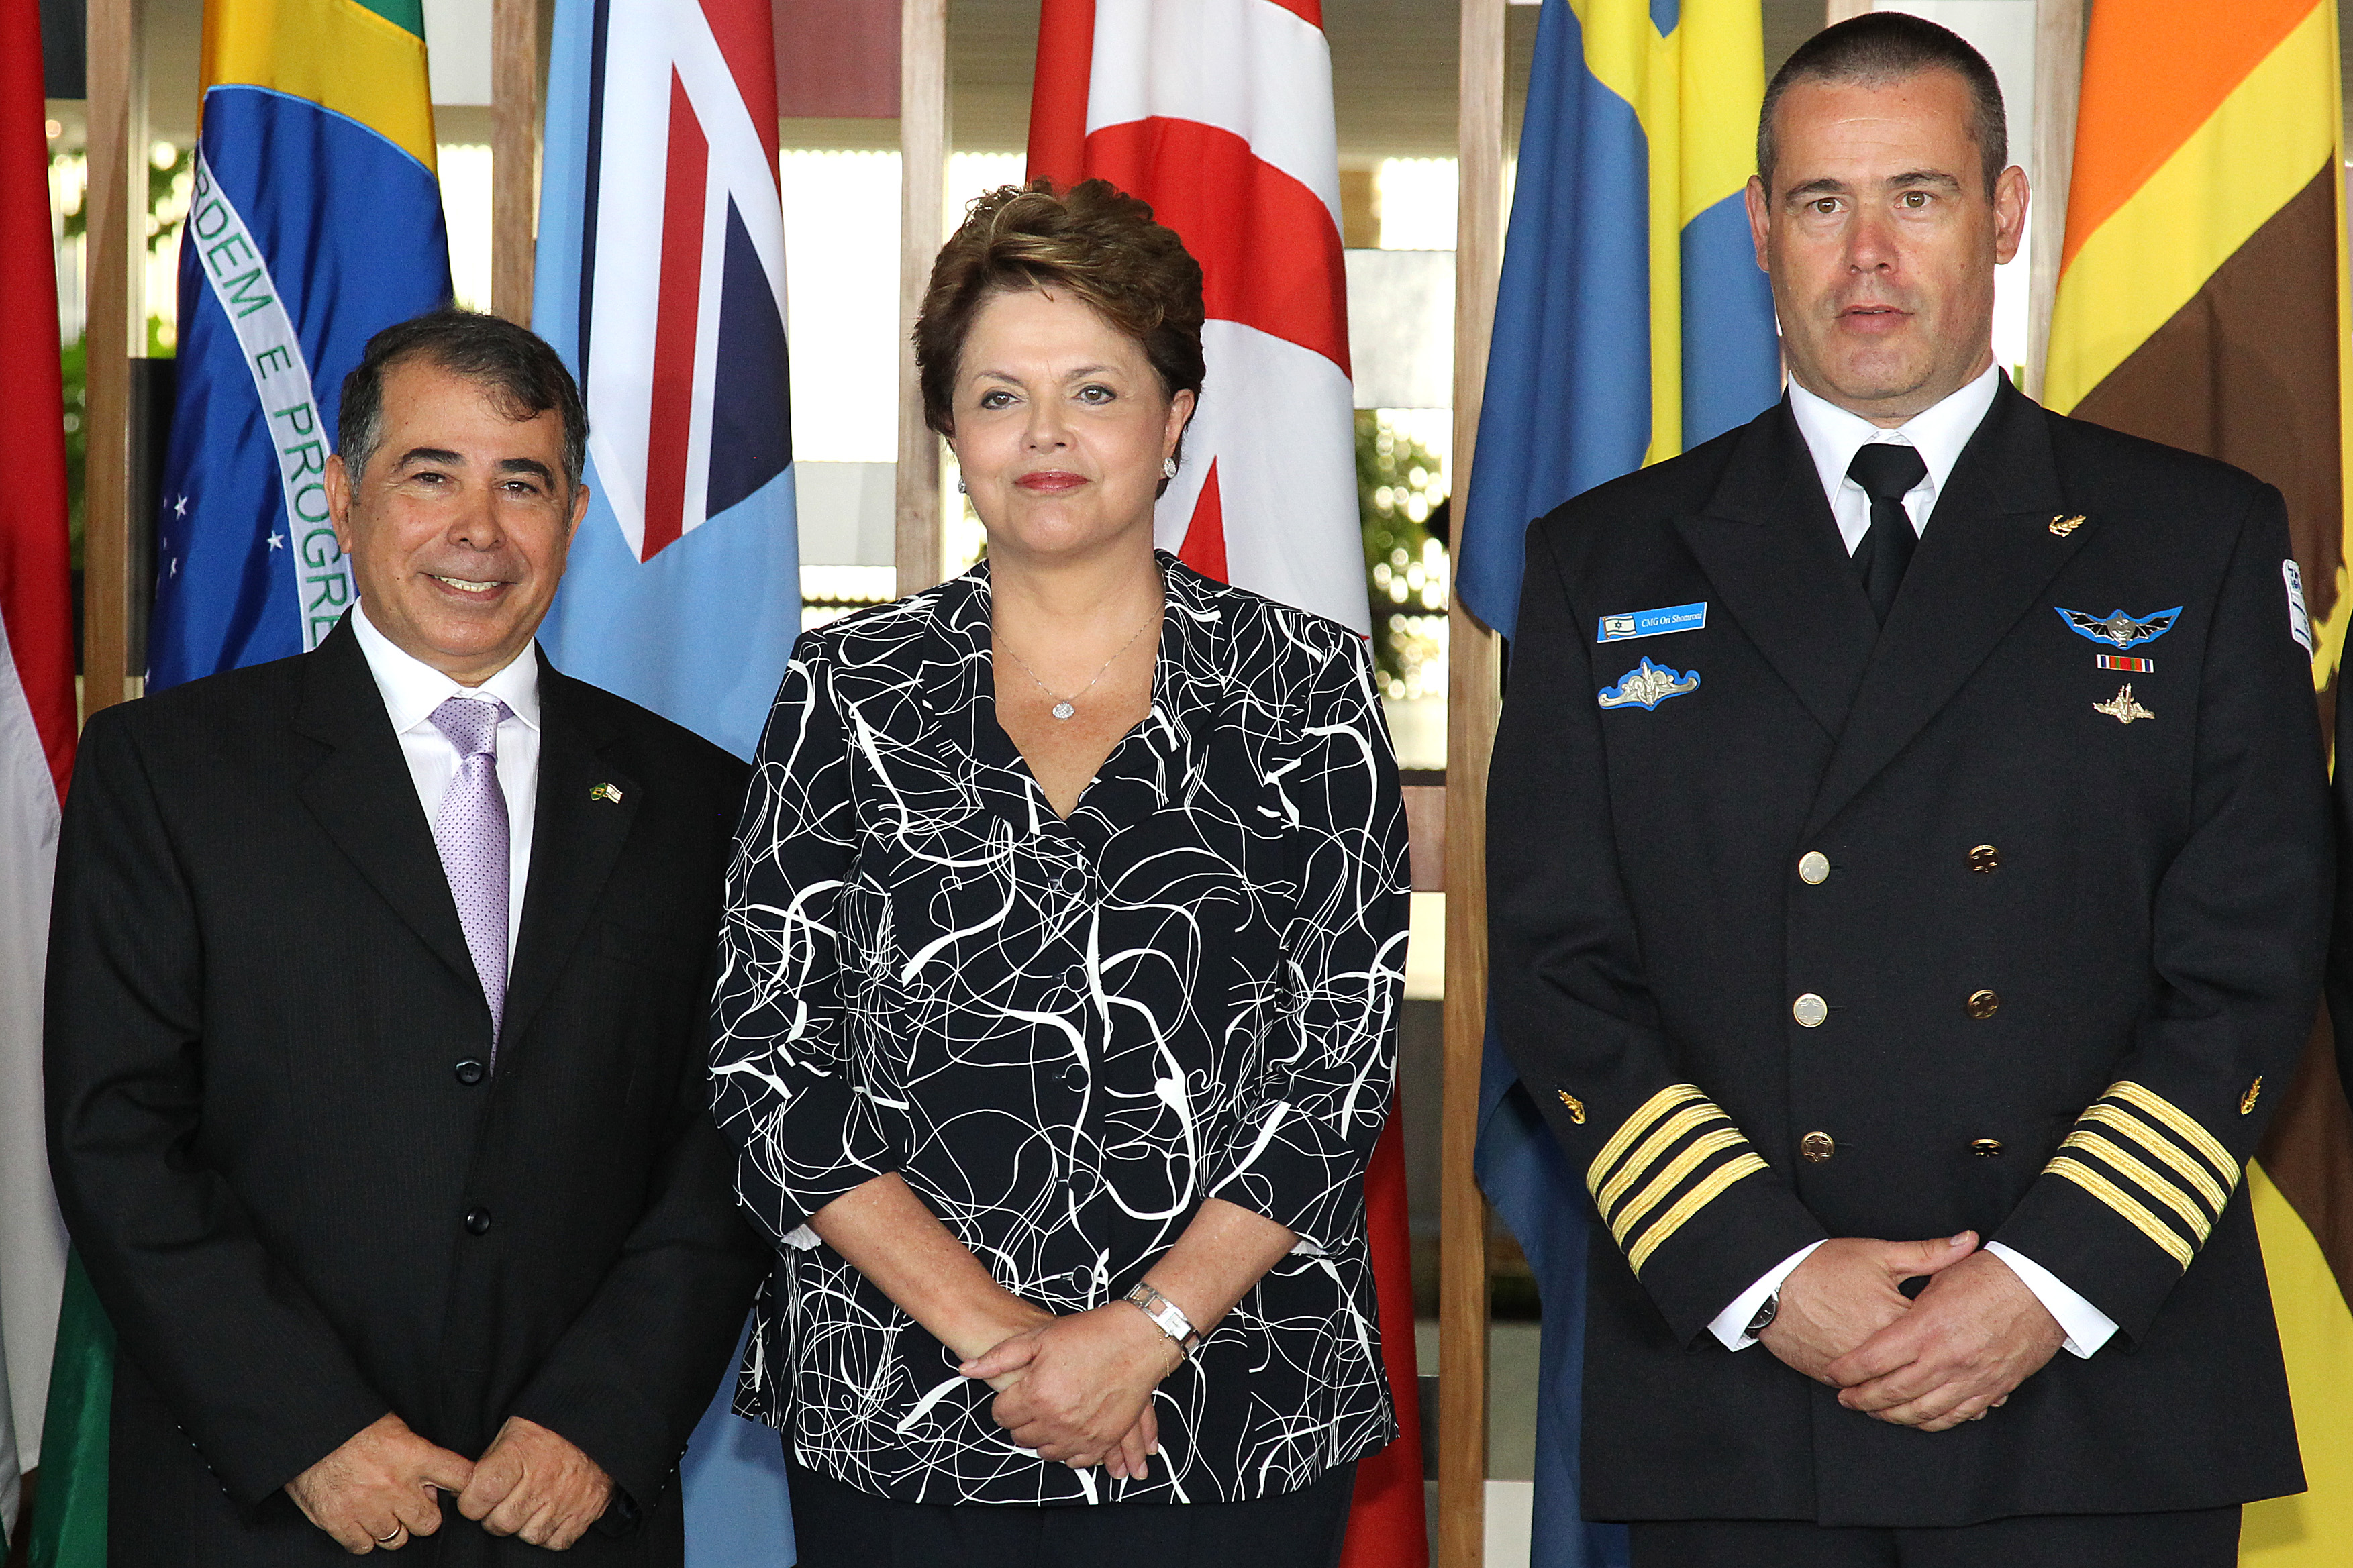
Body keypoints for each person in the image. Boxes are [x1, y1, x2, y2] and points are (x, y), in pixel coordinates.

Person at [1486, 14, 2328, 1567]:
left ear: (2004, 213)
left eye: (1918, 198)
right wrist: (1763, 1271)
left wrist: (2046, 1281)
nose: (1866, 256)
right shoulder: (1600, 563)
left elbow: (2253, 956)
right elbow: (1556, 965)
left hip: (2096, 1380)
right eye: (1820, 203)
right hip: (1746, 1386)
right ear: (1757, 228)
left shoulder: (2191, 542)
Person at [708, 179, 1409, 1567]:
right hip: (905, 1403)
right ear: (946, 430)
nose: (1043, 436)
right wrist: (1011, 1349)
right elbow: (771, 1062)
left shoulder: (1304, 686)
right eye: (996, 396)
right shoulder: (848, 688)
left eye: (1093, 390)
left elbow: (1339, 1061)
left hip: (1232, 1396)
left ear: (1173, 416)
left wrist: (1141, 1333)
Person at [45, 310, 766, 1562]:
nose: (478, 531)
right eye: (430, 475)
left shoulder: (700, 798)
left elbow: (733, 1136)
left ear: (575, 515)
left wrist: (600, 1418)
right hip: (263, 1500)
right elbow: (116, 1135)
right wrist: (312, 1431)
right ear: (342, 493)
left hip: (568, 1507)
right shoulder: (167, 772)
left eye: (521, 483)